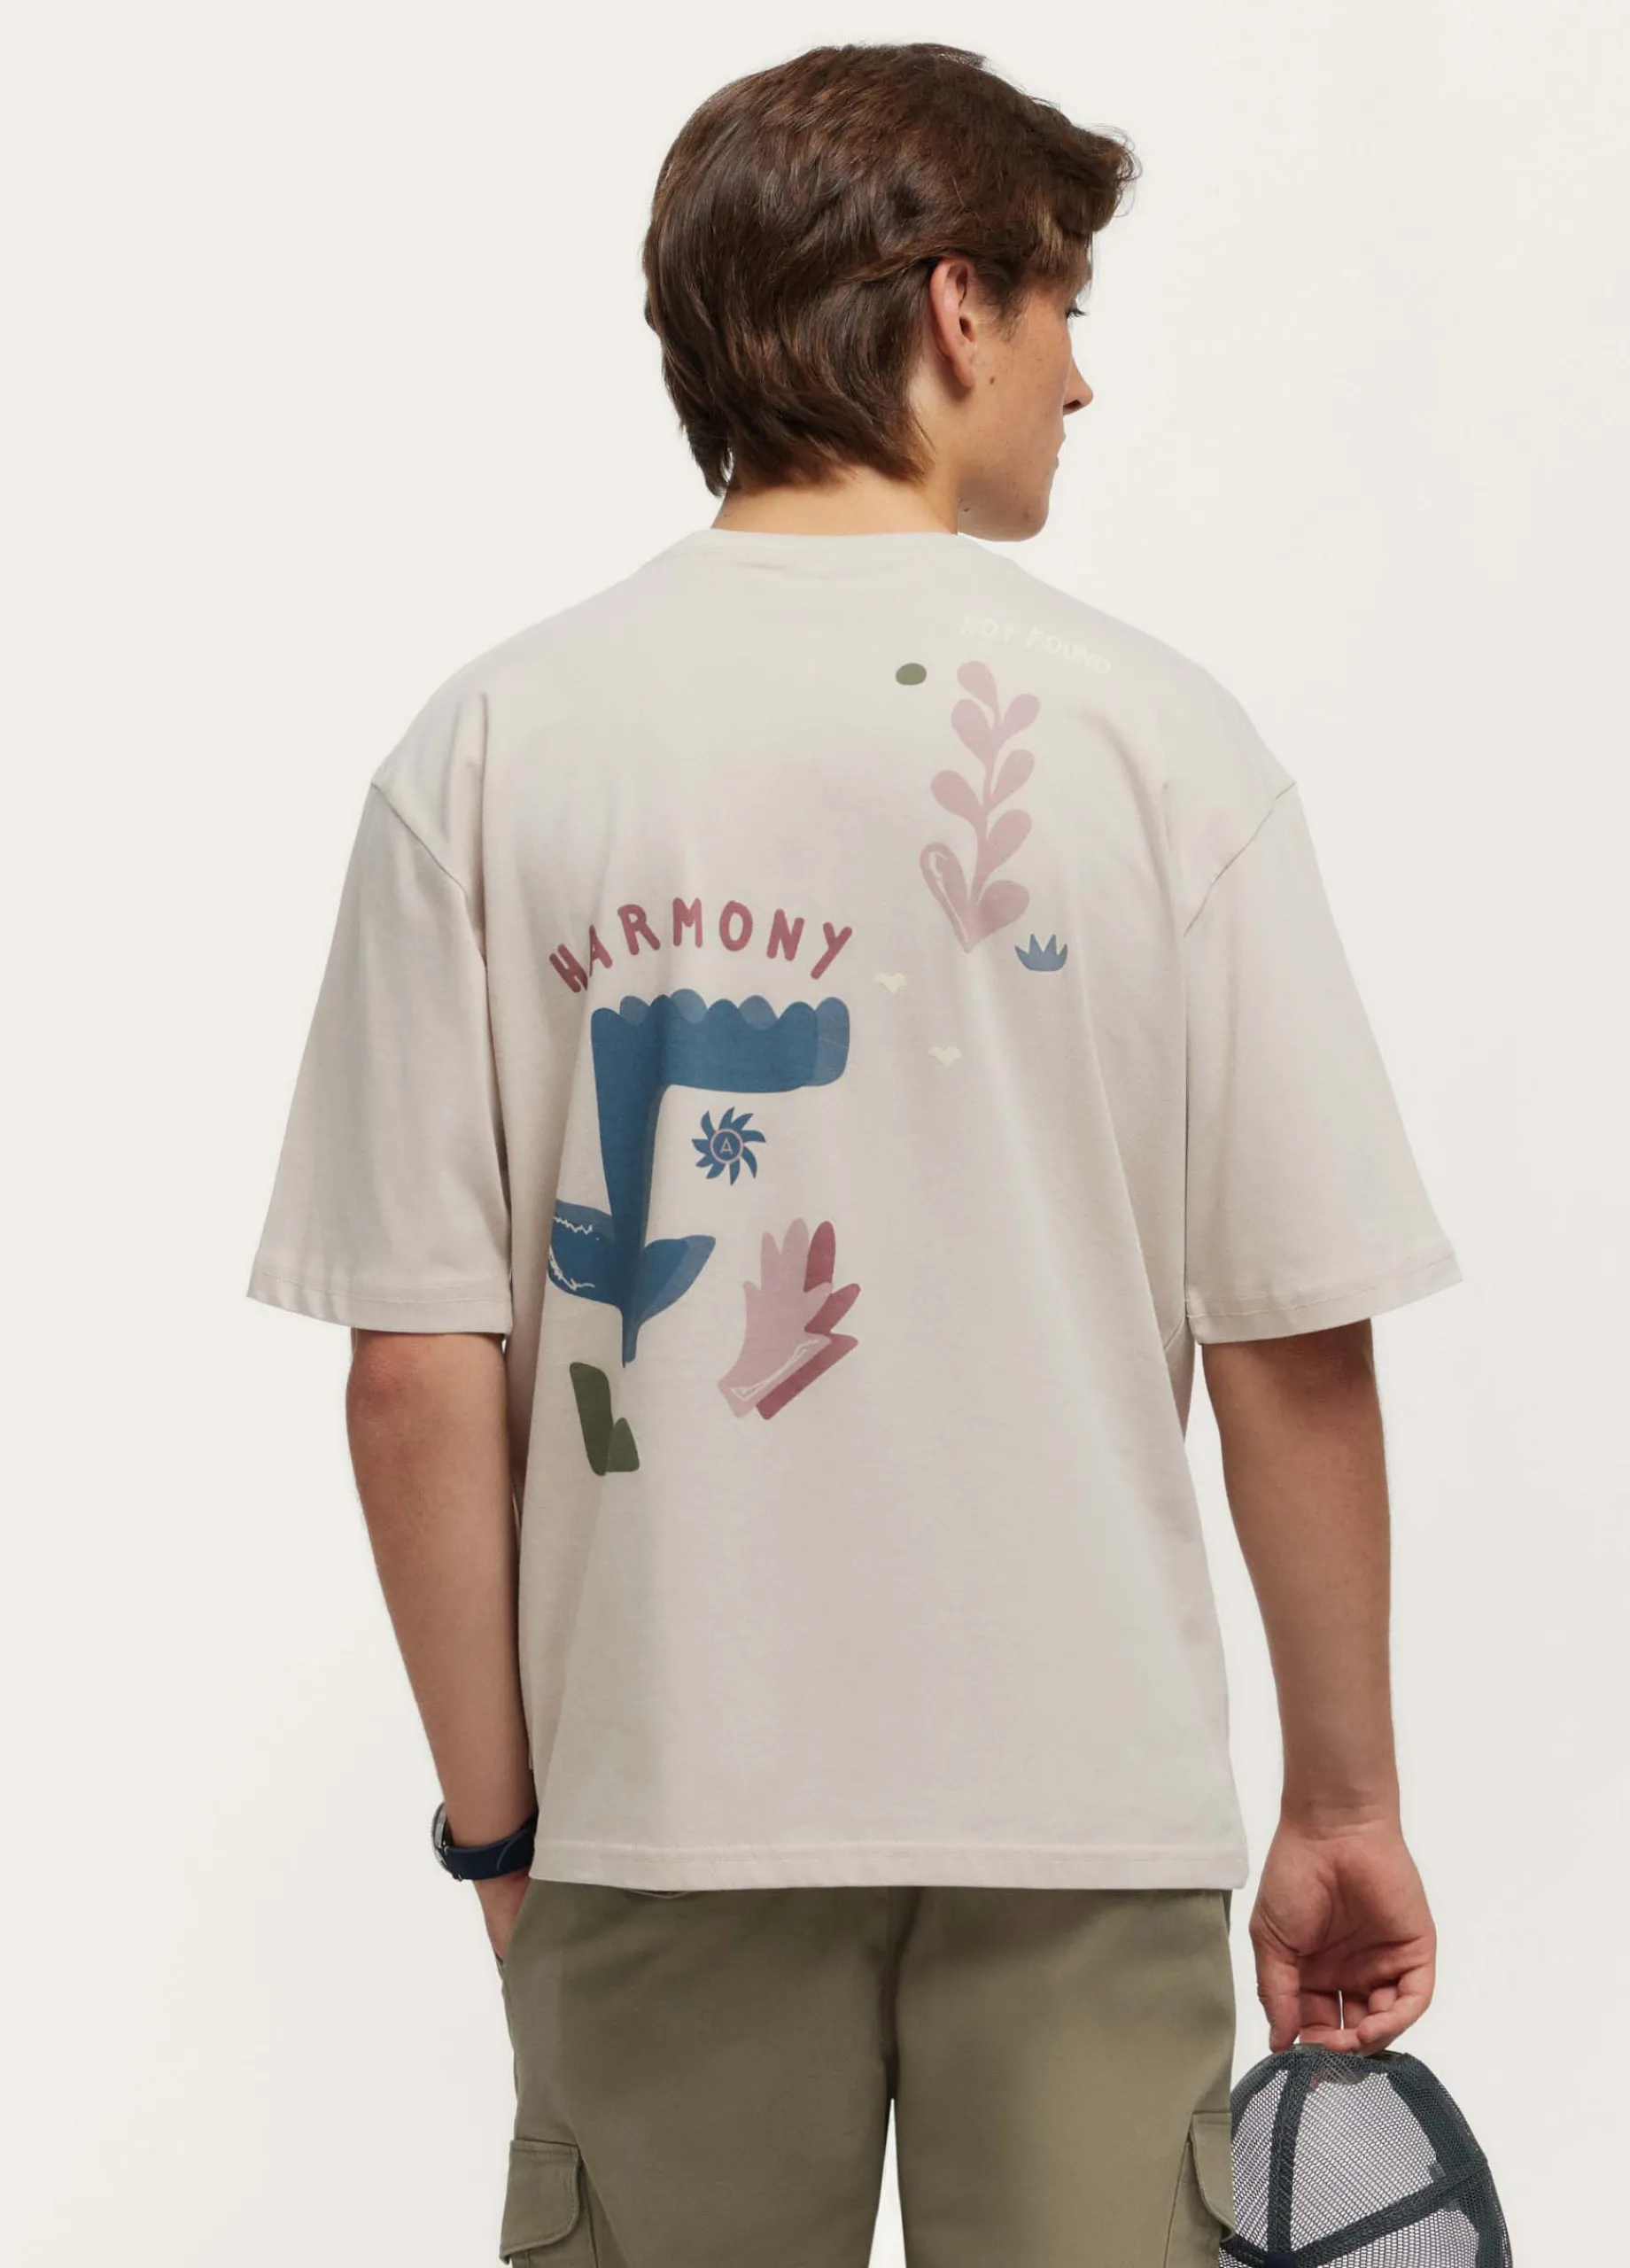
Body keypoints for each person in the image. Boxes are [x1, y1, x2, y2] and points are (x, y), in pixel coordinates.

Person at [247, 40, 1463, 2268]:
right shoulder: (1167, 748)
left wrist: (505, 1840)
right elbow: (1293, 1338)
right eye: (1066, 309)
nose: (1081, 382)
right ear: (956, 304)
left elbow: (414, 1371)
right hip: (1085, 1814)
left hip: (660, 1807)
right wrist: (1347, 1798)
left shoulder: (493, 749)